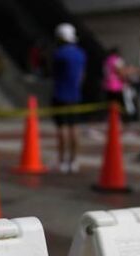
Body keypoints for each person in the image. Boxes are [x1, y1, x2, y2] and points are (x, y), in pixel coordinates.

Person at [51, 23, 86, 173]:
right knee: (74, 128)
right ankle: (74, 160)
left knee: (62, 128)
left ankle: (62, 160)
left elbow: (54, 74)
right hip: (75, 95)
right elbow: (81, 76)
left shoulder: (59, 54)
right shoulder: (81, 54)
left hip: (60, 94)